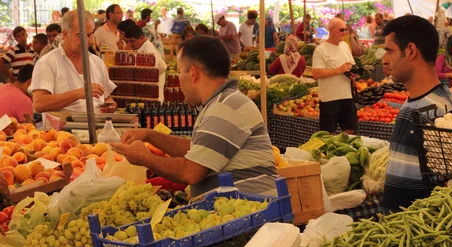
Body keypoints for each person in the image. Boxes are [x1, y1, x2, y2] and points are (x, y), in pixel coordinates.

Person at [111, 35, 277, 197]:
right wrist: (149, 135)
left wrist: (145, 158)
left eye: (180, 71)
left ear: (192, 73)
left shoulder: (225, 107)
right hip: (240, 210)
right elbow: (195, 151)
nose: (179, 78)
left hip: (250, 213)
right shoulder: (222, 102)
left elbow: (191, 172)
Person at [381, 16, 452, 210]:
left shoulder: (419, 111)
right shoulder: (447, 99)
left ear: (410, 51)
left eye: (389, 51)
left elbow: (402, 197)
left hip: (411, 226)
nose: (384, 60)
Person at [30, 10, 116, 117]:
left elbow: (106, 97)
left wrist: (110, 105)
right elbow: (39, 104)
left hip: (97, 129)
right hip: (63, 132)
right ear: (66, 34)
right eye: (80, 35)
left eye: (90, 35)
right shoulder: (47, 62)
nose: (87, 40)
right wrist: (78, 94)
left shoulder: (96, 62)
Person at [312, 18, 357, 134]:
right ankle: (330, 151)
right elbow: (316, 73)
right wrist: (338, 70)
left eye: (346, 29)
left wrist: (353, 74)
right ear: (331, 30)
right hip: (329, 98)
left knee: (350, 129)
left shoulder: (345, 46)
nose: (345, 32)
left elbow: (350, 65)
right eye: (341, 30)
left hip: (347, 95)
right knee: (328, 132)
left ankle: (343, 150)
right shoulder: (320, 49)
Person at [125, 25, 167, 102]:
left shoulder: (149, 51)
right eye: (127, 41)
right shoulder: (142, 48)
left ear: (141, 38)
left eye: (132, 41)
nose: (129, 44)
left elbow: (147, 74)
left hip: (152, 97)